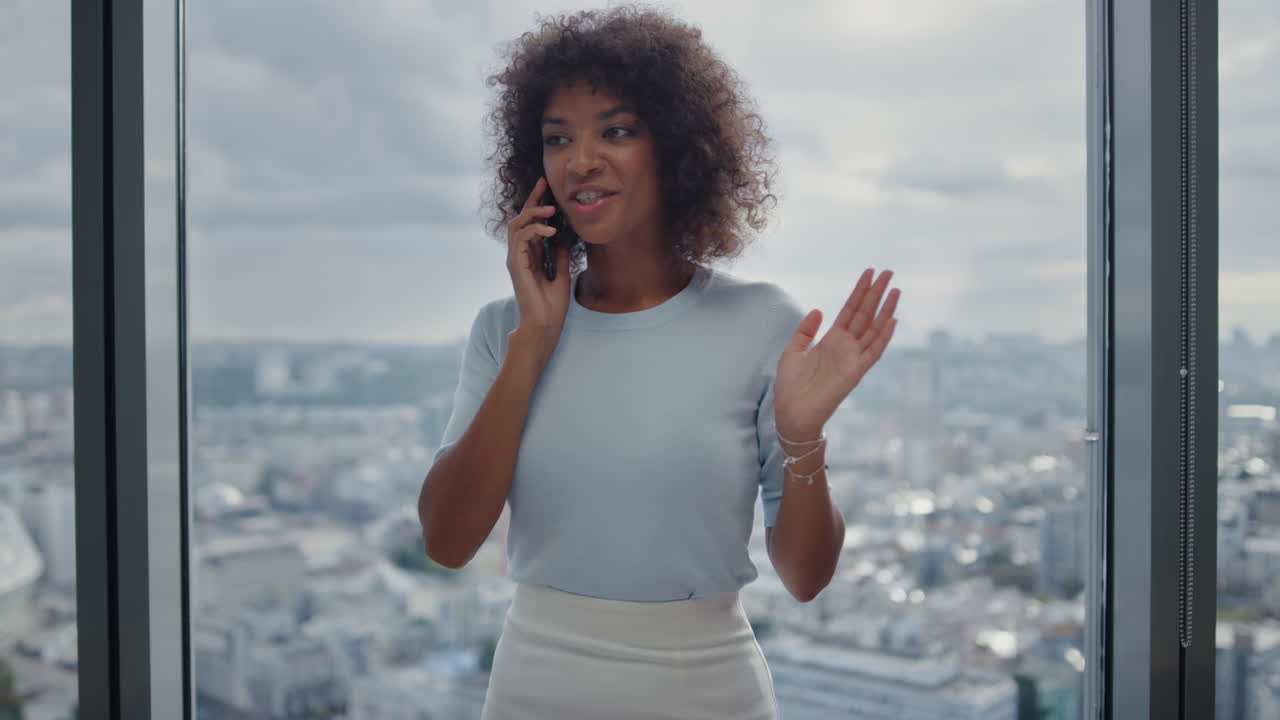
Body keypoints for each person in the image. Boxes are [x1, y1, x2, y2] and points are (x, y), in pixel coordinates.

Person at [418, 5, 900, 719]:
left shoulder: (761, 322)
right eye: (558, 139)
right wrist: (534, 341)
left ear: (676, 147)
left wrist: (803, 435)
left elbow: (804, 577)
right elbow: (448, 541)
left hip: (707, 688)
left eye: (616, 130)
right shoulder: (503, 331)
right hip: (535, 685)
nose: (581, 160)